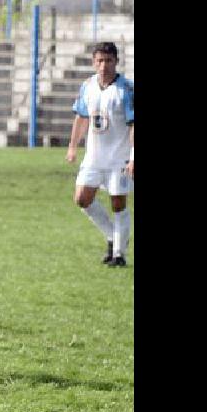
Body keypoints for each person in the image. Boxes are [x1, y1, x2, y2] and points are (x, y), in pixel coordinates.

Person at [65, 41, 134, 267]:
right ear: (94, 62)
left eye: (108, 60)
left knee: (118, 203)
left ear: (116, 61)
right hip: (94, 157)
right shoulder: (88, 86)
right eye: (100, 61)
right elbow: (81, 117)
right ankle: (113, 236)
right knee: (82, 199)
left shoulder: (126, 89)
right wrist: (73, 146)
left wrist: (133, 157)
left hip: (119, 158)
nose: (104, 65)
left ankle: (119, 254)